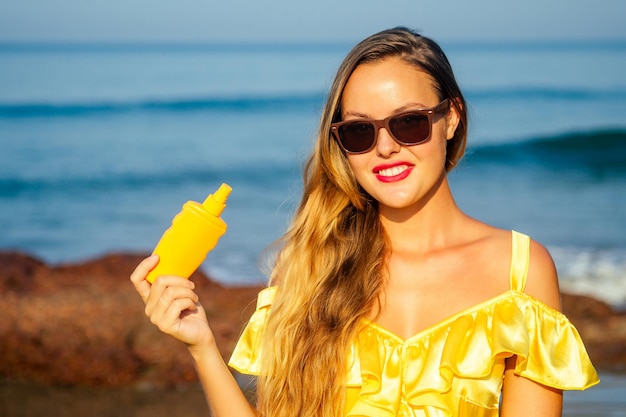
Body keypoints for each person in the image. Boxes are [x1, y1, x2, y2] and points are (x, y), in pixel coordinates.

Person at [130, 27, 599, 417]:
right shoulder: (310, 266)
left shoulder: (520, 271)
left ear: (451, 118)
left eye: (408, 122)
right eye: (359, 131)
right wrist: (201, 346)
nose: (385, 147)